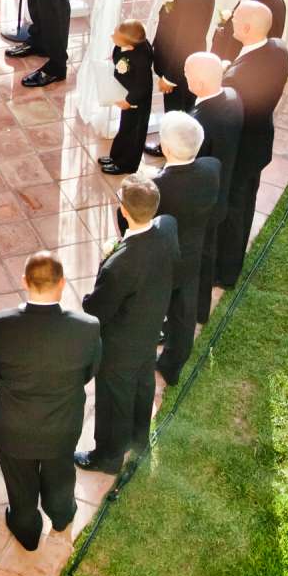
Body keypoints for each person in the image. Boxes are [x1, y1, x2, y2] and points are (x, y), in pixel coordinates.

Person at [0, 251, 101, 551]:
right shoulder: (86, 328)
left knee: (19, 484)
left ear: (25, 281)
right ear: (62, 283)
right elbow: (90, 371)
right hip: (61, 426)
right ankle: (61, 516)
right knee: (60, 474)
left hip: (13, 427)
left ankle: (26, 528)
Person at [79, 178, 178, 474]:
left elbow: (95, 309)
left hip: (119, 345)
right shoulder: (168, 227)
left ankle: (108, 457)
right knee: (143, 384)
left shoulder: (118, 265)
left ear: (123, 211)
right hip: (149, 330)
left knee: (112, 400)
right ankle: (138, 441)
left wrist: (105, 261)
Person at [219, 1, 288, 286]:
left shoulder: (239, 79)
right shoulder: (277, 48)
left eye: (235, 18)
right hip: (258, 142)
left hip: (241, 148)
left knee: (235, 209)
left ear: (247, 28)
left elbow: (231, 109)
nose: (231, 21)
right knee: (244, 204)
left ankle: (225, 272)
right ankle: (228, 263)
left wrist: (223, 77)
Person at [151, 112, 224, 381]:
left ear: (167, 148)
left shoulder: (157, 187)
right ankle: (173, 365)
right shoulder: (212, 167)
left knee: (156, 302)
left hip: (162, 259)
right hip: (192, 251)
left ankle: (156, 335)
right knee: (184, 310)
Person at [185, 52, 249, 293]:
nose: (185, 78)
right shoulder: (232, 96)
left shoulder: (199, 122)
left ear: (200, 83)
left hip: (203, 198)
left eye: (187, 74)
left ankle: (198, 304)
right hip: (223, 185)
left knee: (202, 252)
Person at [149, 0, 217, 123]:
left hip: (180, 68)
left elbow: (187, 41)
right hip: (173, 60)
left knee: (177, 111)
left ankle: (172, 146)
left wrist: (170, 77)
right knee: (175, 109)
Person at [104, 19, 155, 176]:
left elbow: (143, 86)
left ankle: (127, 164)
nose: (112, 36)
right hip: (127, 92)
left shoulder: (140, 60)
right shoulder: (128, 45)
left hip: (136, 102)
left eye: (116, 35)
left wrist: (129, 101)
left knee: (133, 133)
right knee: (124, 128)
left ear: (129, 44)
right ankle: (116, 157)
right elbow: (119, 55)